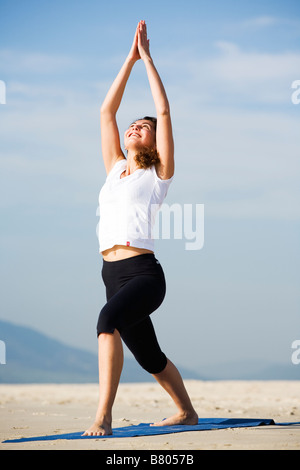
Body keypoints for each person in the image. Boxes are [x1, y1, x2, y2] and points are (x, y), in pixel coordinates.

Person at [83, 20, 198, 436]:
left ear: (151, 143)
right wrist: (127, 62)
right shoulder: (115, 170)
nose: (134, 126)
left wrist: (147, 59)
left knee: (106, 321)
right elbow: (105, 112)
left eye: (142, 127)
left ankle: (103, 417)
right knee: (149, 356)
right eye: (132, 125)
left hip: (143, 274)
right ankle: (187, 411)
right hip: (110, 273)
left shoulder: (158, 175)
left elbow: (164, 111)